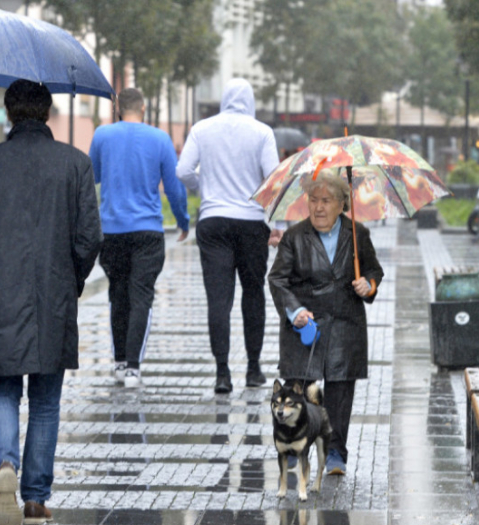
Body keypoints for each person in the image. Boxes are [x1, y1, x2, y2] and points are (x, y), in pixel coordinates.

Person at [0, 79, 101, 525]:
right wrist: (72, 280)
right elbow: (89, 238)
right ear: (47, 114)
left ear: (7, 113)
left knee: (2, 388)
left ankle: (5, 464)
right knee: (45, 397)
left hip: (1, 292)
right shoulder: (75, 164)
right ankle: (36, 497)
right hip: (53, 293)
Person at [267, 169, 384, 476]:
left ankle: (335, 452)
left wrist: (367, 285)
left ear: (342, 204)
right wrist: (295, 312)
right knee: (299, 389)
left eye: (326, 200)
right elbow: (278, 279)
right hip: (305, 326)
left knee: (340, 393)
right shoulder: (294, 236)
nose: (318, 207)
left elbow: (374, 271)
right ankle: (293, 443)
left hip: (345, 324)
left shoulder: (358, 235)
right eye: (313, 200)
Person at [176, 78, 279, 394]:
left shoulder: (202, 129)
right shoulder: (262, 132)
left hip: (214, 222)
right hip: (250, 224)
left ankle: (222, 372)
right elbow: (274, 180)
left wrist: (203, 188)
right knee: (253, 293)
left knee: (218, 299)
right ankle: (253, 368)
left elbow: (183, 171)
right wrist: (275, 220)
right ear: (250, 101)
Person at [89, 88, 189, 388]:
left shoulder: (102, 136)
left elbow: (91, 175)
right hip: (147, 232)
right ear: (143, 108)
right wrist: (183, 220)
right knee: (141, 296)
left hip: (111, 231)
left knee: (117, 294)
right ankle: (133, 367)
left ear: (118, 108)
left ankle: (119, 361)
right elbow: (173, 187)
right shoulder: (160, 139)